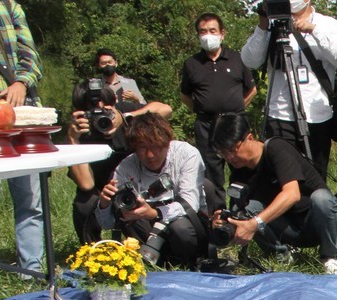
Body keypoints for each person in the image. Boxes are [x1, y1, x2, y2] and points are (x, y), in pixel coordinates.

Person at [210, 112, 337, 274]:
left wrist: (255, 223)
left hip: (318, 222)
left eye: (233, 149)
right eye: (223, 153)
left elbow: (292, 194)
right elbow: (241, 213)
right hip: (288, 230)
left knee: (322, 197)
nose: (230, 157)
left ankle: (331, 257)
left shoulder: (276, 149)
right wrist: (226, 222)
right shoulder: (239, 170)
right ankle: (281, 256)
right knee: (249, 209)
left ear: (250, 138)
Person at [241, 0, 337, 180]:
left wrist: (313, 30)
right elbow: (250, 60)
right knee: (282, 178)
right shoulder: (272, 25)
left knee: (315, 179)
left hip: (316, 115)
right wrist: (263, 25)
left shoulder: (327, 24)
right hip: (279, 115)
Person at [96, 113, 208, 269]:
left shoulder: (186, 154)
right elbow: (107, 224)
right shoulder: (125, 168)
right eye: (142, 148)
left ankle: (187, 265)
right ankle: (150, 264)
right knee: (130, 219)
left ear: (167, 143)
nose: (150, 155)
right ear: (134, 147)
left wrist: (155, 213)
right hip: (146, 229)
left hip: (185, 224)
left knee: (180, 227)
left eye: (155, 146)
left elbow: (190, 203)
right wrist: (104, 205)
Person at [67, 81, 173, 243]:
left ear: (113, 103)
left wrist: (125, 118)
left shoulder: (121, 113)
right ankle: (91, 249)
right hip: (101, 188)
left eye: (105, 109)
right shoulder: (80, 129)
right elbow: (86, 185)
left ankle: (144, 243)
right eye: (92, 110)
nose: (100, 114)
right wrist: (74, 140)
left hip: (133, 184)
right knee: (84, 202)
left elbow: (166, 109)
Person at [181, 13, 257, 214]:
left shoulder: (238, 58)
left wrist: (237, 109)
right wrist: (201, 110)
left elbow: (252, 90)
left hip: (235, 123)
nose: (208, 35)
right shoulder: (191, 64)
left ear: (222, 33)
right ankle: (219, 217)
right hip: (206, 125)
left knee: (242, 167)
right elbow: (185, 95)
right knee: (212, 173)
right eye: (203, 31)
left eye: (212, 31)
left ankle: (243, 211)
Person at [0, 0, 42, 276]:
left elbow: (31, 56)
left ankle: (32, 273)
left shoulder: (8, 5)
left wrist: (21, 82)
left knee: (30, 200)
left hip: (21, 117)